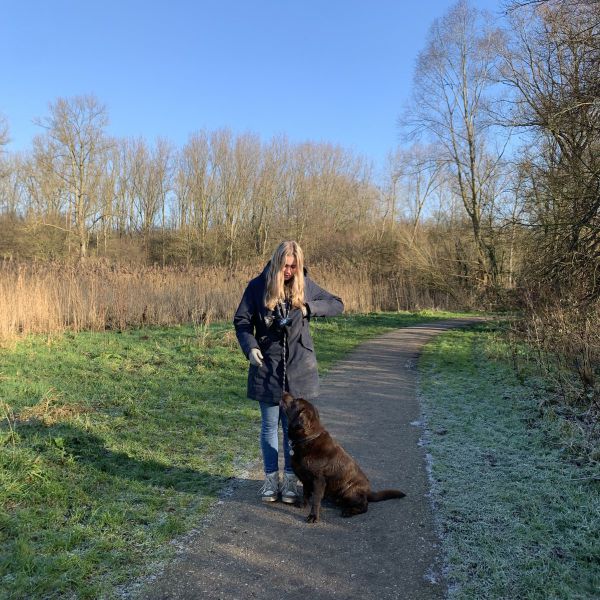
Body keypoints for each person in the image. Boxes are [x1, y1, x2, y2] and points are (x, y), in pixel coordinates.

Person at [233, 241, 344, 503]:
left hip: (299, 368)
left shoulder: (305, 284)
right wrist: (250, 348)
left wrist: (308, 308)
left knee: (292, 429)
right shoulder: (257, 286)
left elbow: (337, 304)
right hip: (267, 366)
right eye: (286, 265)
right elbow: (242, 322)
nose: (289, 271)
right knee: (269, 426)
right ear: (276, 262)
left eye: (294, 266)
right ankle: (271, 481)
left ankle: (292, 482)